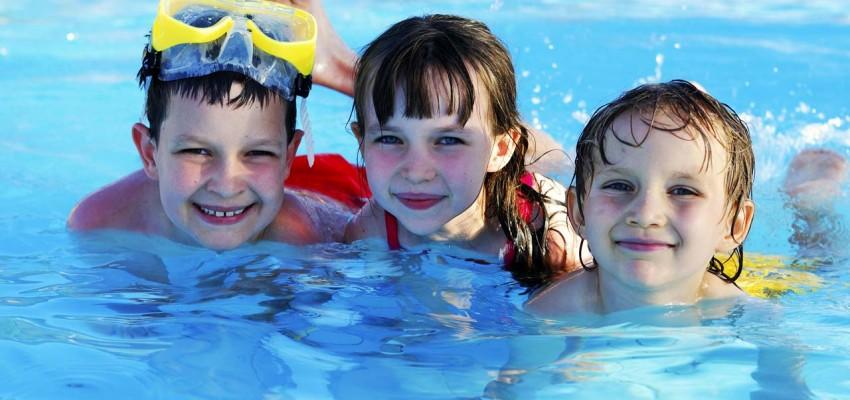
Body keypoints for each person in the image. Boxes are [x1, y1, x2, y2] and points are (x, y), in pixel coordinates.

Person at [67, 0, 369, 250]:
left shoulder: (309, 240)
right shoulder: (100, 223)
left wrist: (346, 72)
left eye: (258, 153)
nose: (226, 186)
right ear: (149, 153)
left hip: (336, 188)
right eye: (197, 151)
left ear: (289, 156)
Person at [343, 14, 585, 285]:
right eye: (390, 139)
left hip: (520, 184)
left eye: (448, 140)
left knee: (557, 160)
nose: (416, 173)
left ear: (501, 149)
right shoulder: (369, 231)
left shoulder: (553, 236)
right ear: (362, 143)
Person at [526, 79, 757, 315]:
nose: (646, 215)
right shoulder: (544, 318)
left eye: (682, 191)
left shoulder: (755, 323)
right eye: (619, 185)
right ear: (578, 212)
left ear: (734, 224)